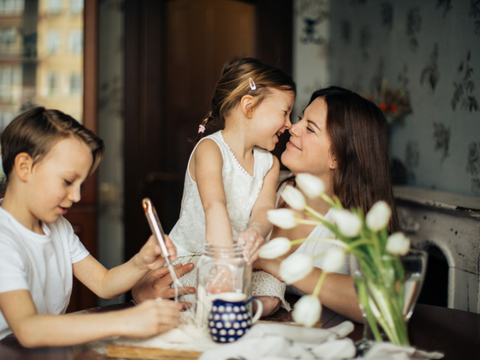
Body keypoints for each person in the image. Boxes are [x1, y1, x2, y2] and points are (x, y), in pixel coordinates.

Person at [0, 107, 183, 347]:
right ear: (24, 166)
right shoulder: (4, 238)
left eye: (81, 185)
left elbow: (104, 283)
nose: (76, 196)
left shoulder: (59, 227)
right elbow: (28, 329)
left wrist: (142, 262)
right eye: (67, 181)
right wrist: (126, 321)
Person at [254, 86, 400, 323]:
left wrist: (284, 266)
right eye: (301, 118)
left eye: (310, 128)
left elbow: (384, 303)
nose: (293, 126)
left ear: (337, 157)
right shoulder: (267, 185)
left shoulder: (356, 223)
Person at [163, 57, 296, 316]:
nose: (289, 124)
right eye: (285, 112)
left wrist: (256, 231)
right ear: (249, 106)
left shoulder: (269, 163)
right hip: (193, 259)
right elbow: (215, 206)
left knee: (272, 292)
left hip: (238, 264)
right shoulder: (210, 149)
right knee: (204, 291)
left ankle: (238, 310)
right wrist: (224, 266)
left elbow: (264, 209)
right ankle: (225, 306)